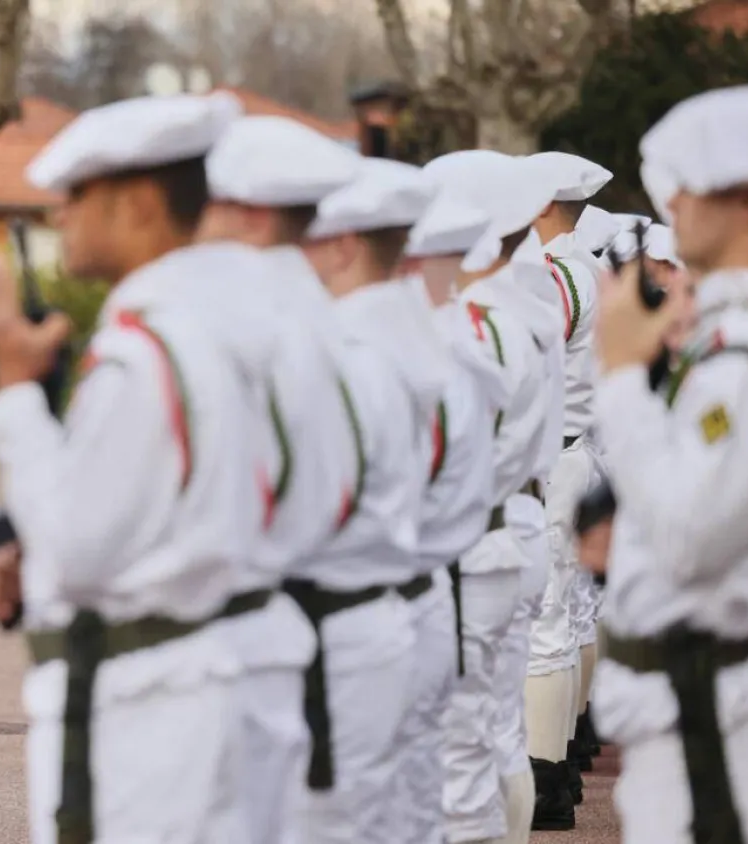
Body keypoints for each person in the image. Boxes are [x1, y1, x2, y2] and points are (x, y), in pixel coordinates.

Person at [0, 91, 259, 843]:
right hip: (211, 679)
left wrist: (14, 395)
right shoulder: (224, 321)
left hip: (149, 708)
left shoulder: (146, 350)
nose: (60, 215)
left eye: (76, 195)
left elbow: (76, 548)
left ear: (138, 203)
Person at [583, 82, 748, 844]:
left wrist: (618, 376)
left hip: (729, 726)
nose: (669, 206)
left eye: (688, 187)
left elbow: (690, 533)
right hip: (720, 708)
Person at [197, 115, 363, 844]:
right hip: (301, 614)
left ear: (251, 214)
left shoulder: (243, 324)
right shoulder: (325, 317)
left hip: (245, 625)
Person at [296, 158, 453, 844]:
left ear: (343, 246)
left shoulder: (349, 351)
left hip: (342, 627)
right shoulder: (405, 336)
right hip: (393, 608)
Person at [423, 149, 567, 844]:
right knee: (498, 737)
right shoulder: (531, 304)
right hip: (521, 525)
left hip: (475, 544)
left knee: (457, 757)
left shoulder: (476, 321)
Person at [396, 191, 510, 844]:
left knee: (451, 776)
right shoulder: (464, 344)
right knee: (463, 761)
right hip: (465, 559)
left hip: (434, 576)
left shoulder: (434, 352)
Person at [523, 150, 612, 827]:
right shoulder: (585, 267)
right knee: (568, 609)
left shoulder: (555, 276)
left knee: (550, 617)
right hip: (574, 452)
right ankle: (565, 755)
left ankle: (548, 780)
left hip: (552, 458)